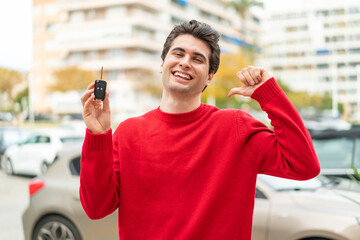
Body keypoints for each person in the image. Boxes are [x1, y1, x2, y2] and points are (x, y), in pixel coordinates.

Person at [80, 20, 320, 240]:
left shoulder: (235, 126)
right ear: (162, 64)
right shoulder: (128, 132)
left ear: (209, 77)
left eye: (197, 58)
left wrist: (269, 94)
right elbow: (96, 208)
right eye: (178, 53)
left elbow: (303, 165)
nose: (185, 62)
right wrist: (98, 136)